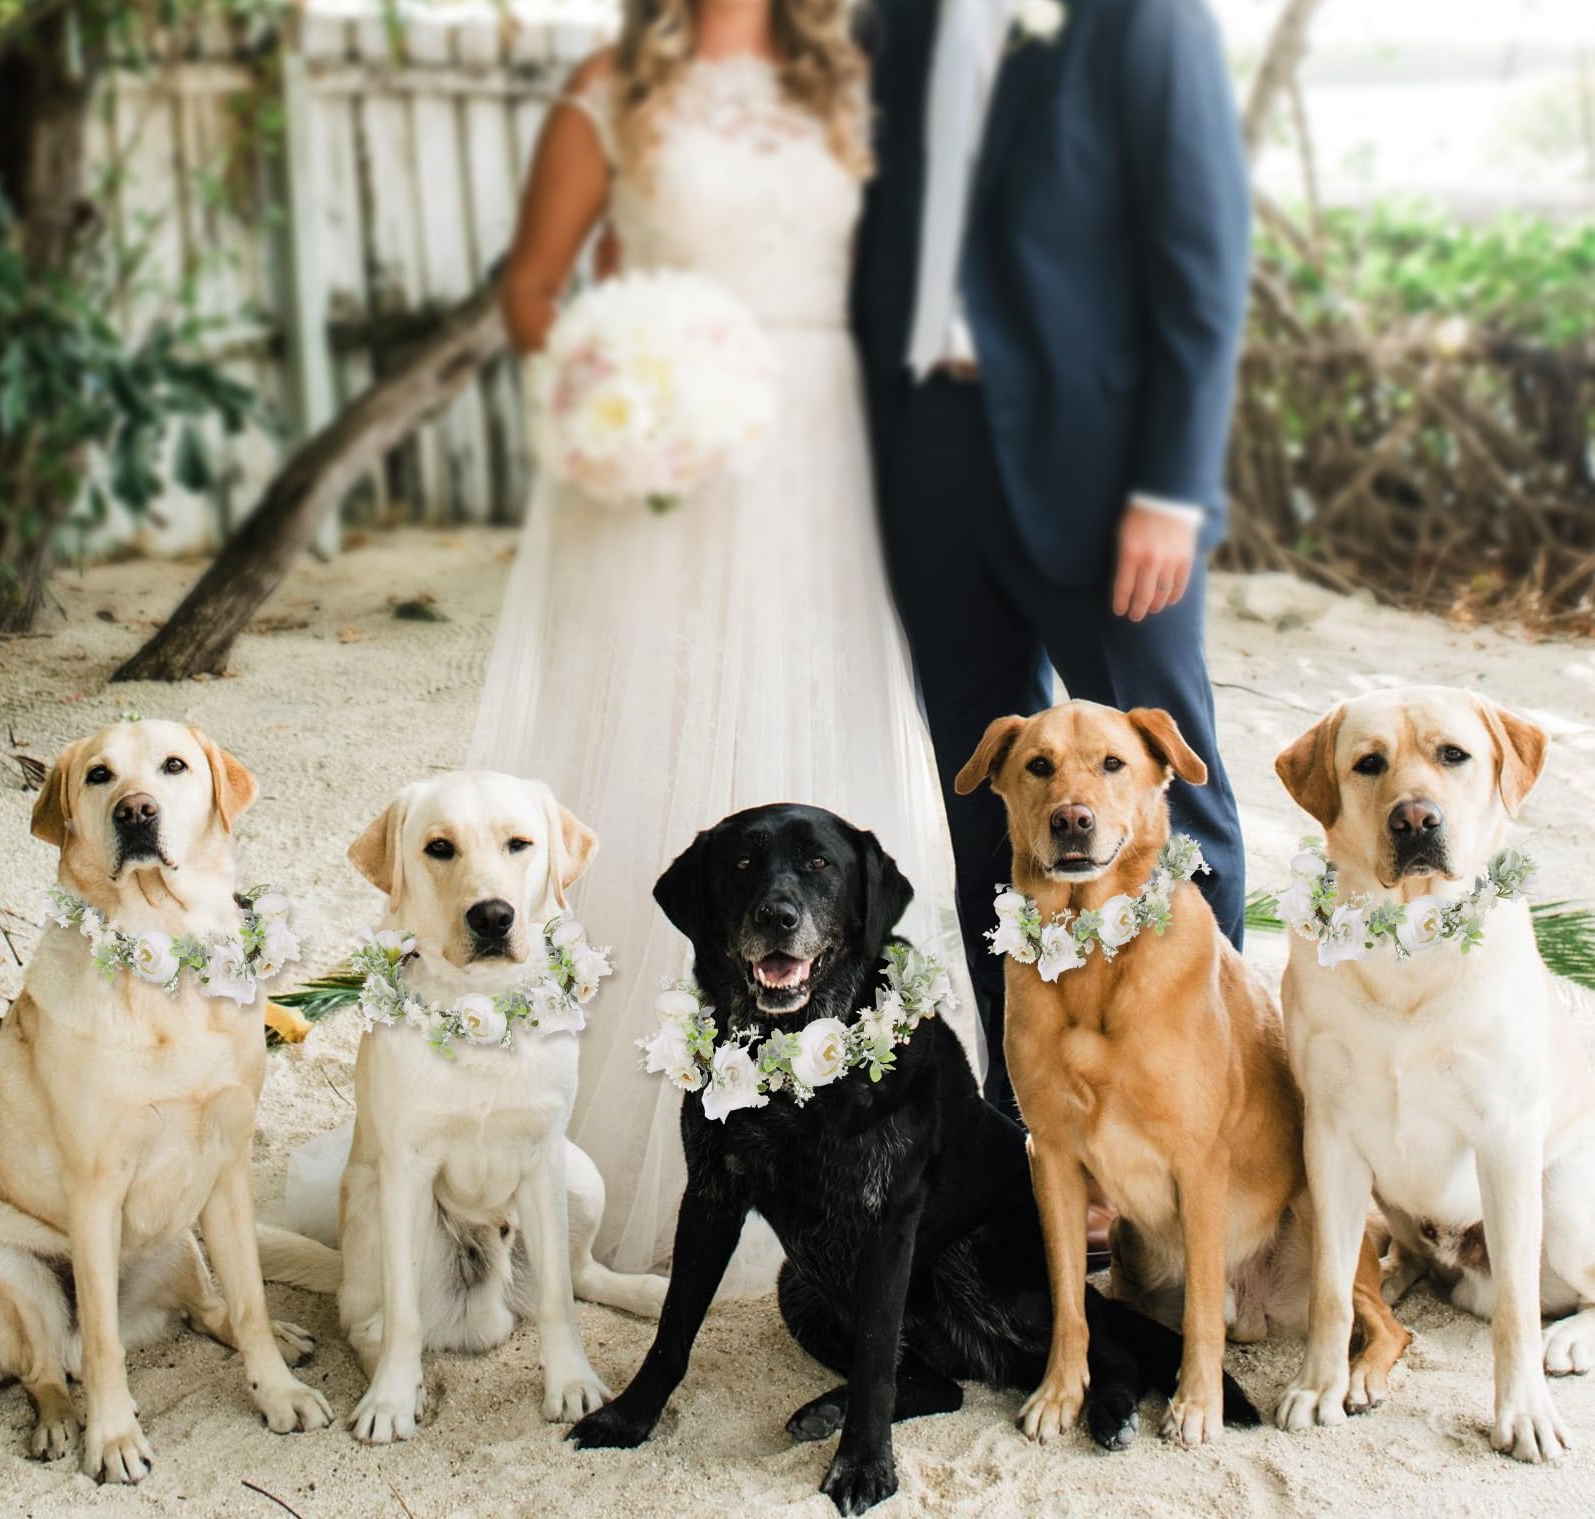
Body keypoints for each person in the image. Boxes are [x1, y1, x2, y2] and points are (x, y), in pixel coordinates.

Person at [466, 0, 973, 1285]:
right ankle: (621, 1158)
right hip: (665, 485)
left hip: (820, 471)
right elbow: (535, 290)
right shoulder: (609, 85)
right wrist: (616, 411)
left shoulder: (851, 87)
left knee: (816, 736)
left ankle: (845, 1143)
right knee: (654, 755)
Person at [853, 0, 1253, 1115]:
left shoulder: (1145, 20)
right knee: (990, 803)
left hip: (1103, 467)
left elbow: (1200, 255)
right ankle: (1034, 1127)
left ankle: (1198, 1105)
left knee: (1168, 787)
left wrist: (1170, 488)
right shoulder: (890, 26)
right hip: (928, 457)